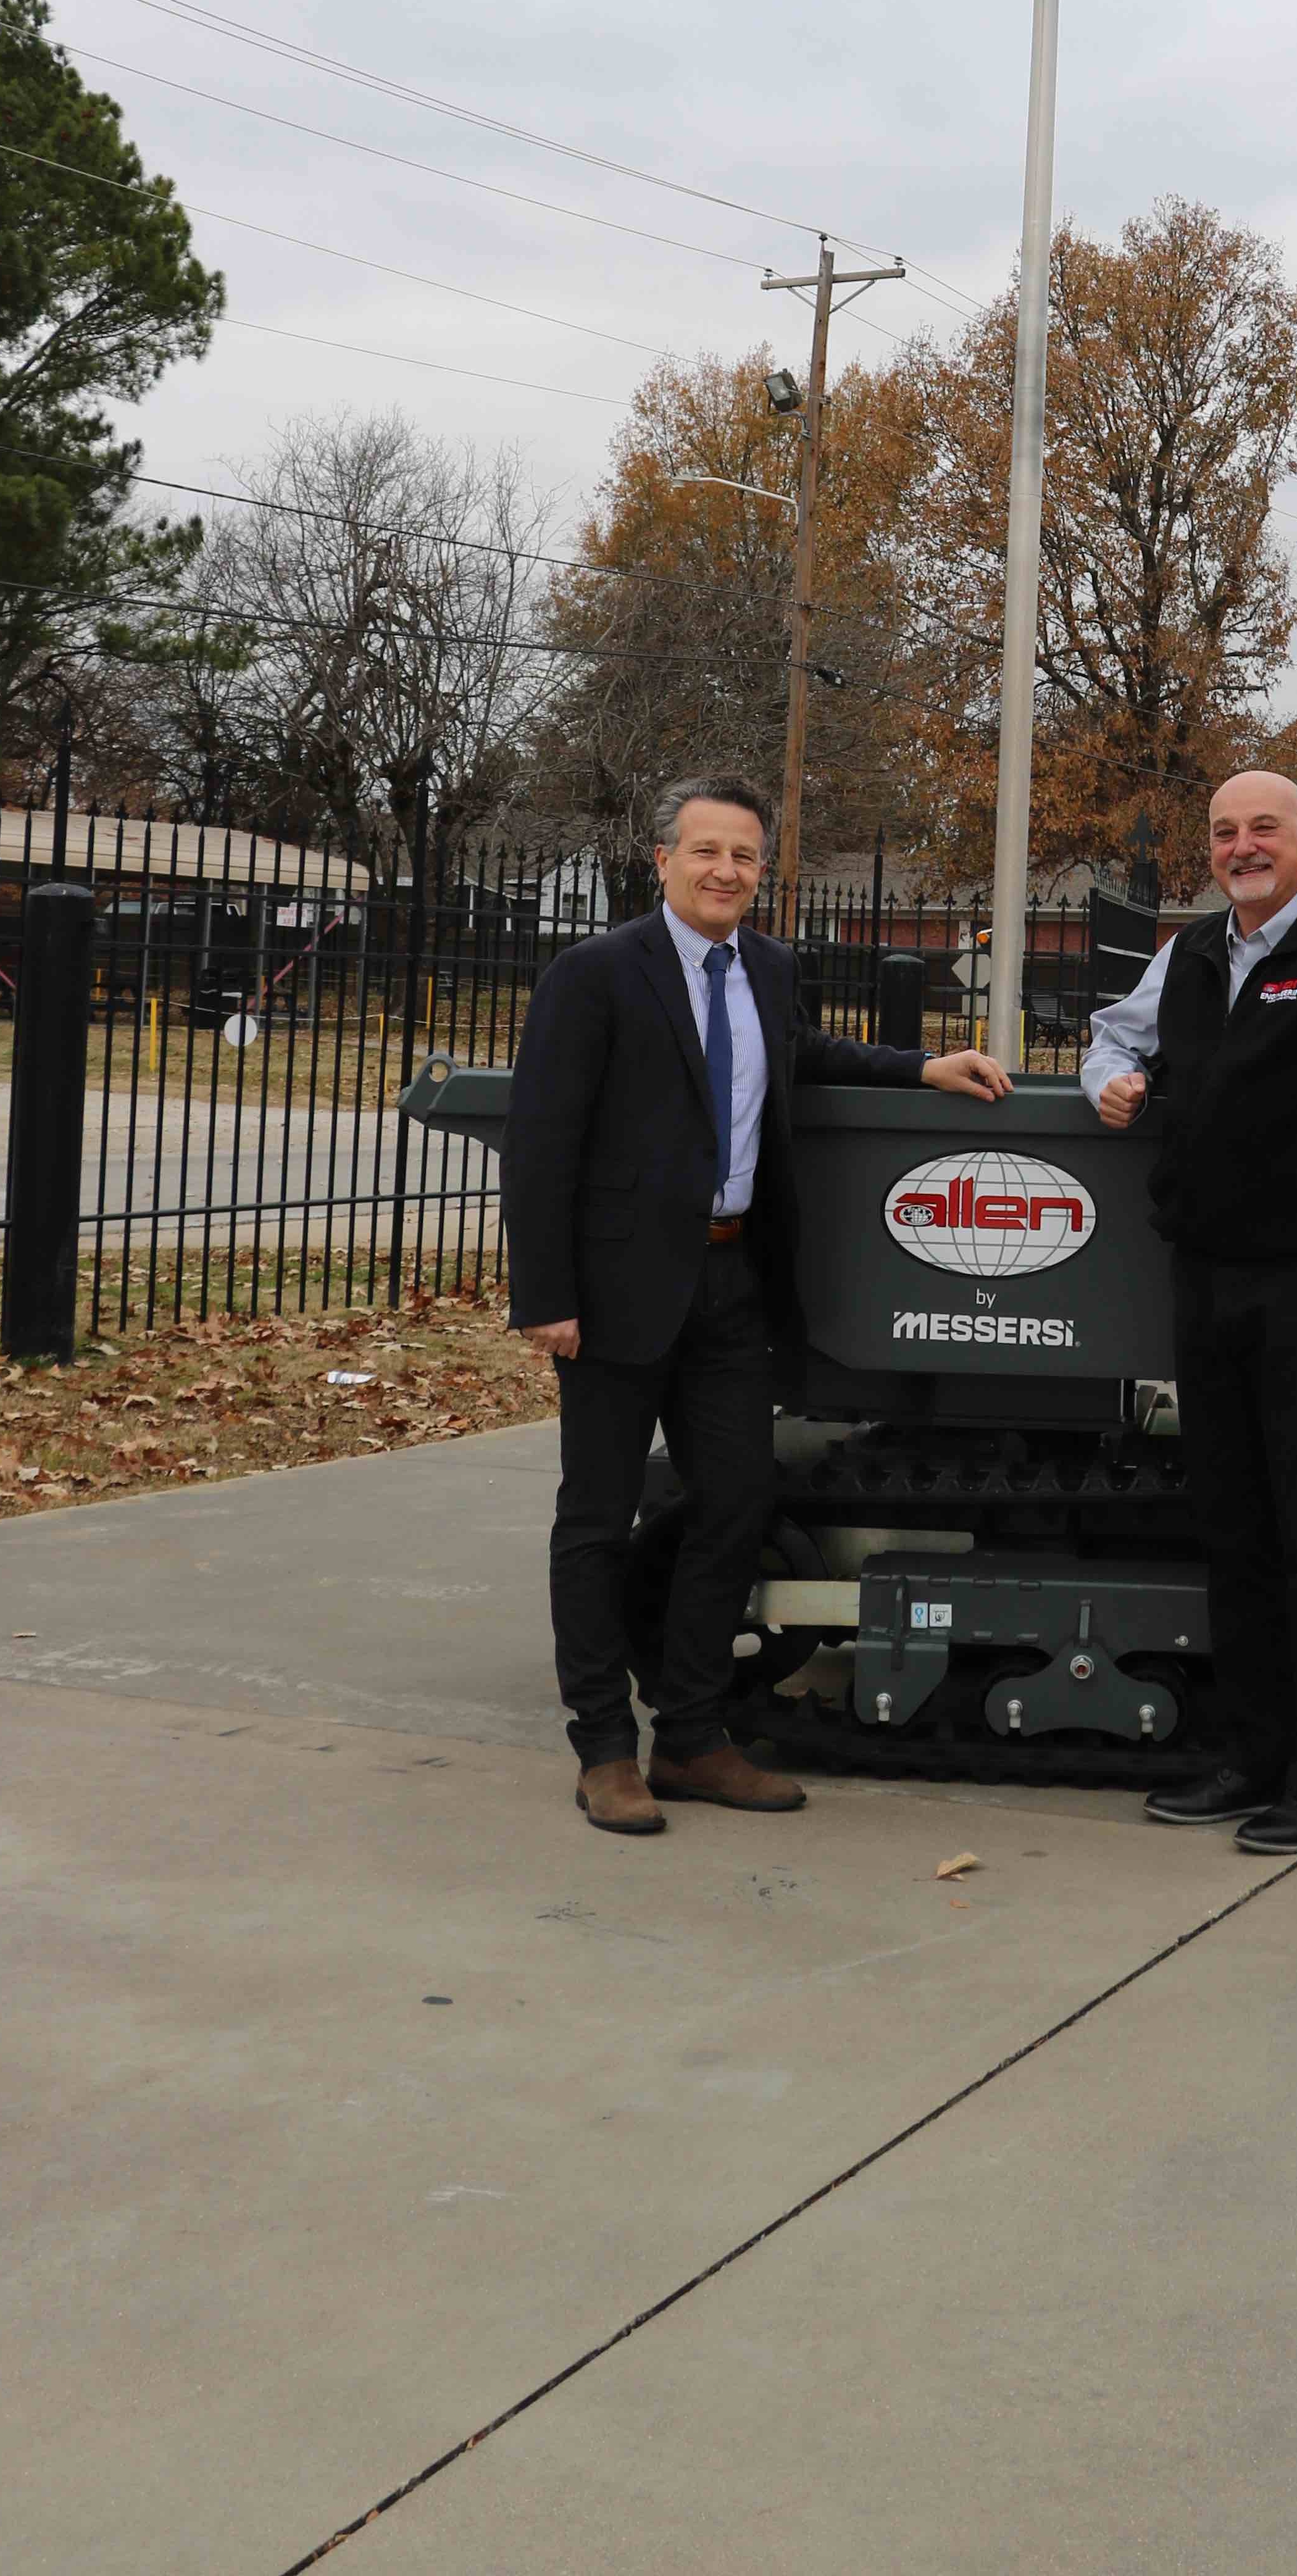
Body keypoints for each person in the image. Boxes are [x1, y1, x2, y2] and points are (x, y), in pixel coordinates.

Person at [505, 772, 1011, 1834]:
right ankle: (604, 1747)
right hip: (612, 1291)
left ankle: (690, 1737)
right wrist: (544, 1296)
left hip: (733, 1283)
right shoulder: (594, 975)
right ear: (663, 860)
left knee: (733, 1506)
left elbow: (802, 1058)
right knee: (596, 1521)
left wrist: (925, 1065)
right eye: (706, 852)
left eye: (744, 856)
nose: (726, 871)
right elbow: (543, 1142)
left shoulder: (772, 967)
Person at [1082, 770, 1297, 1853]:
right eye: (1227, 832)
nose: (1244, 848)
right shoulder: (1189, 953)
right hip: (1208, 1274)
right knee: (1232, 1527)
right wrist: (1110, 1078)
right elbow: (1113, 1033)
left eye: (1265, 830)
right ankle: (1247, 1758)